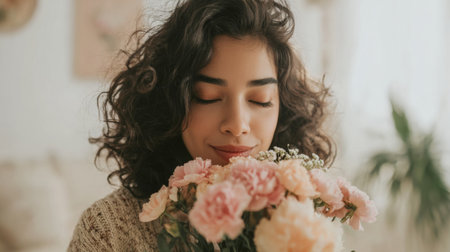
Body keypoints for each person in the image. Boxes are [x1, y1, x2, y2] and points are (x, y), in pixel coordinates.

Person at [68, 0, 334, 251]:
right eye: (207, 96)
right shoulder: (107, 231)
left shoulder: (304, 221)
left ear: (284, 107)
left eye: (260, 100)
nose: (237, 124)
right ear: (170, 100)